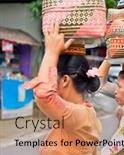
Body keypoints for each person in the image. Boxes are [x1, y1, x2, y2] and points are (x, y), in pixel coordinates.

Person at [24, 23, 102, 155]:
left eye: (53, 77)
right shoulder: (87, 114)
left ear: (65, 80)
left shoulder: (79, 116)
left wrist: (51, 52)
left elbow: (44, 95)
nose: (51, 83)